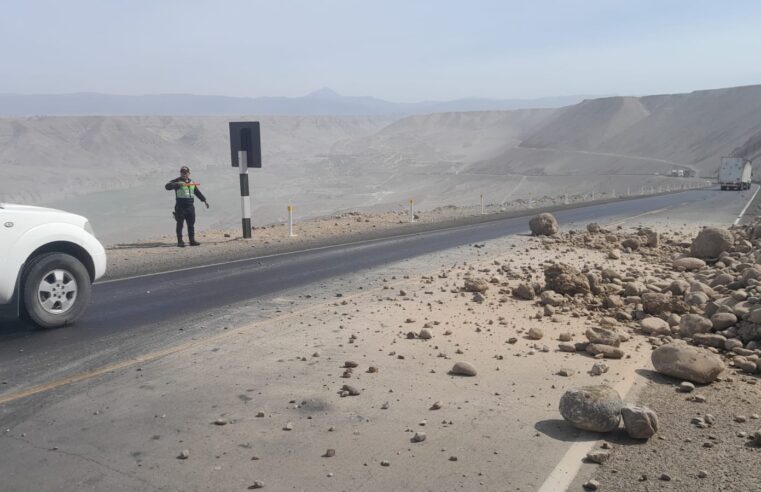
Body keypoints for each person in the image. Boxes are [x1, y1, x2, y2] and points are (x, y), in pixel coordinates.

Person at [165, 166, 209, 247]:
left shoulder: (191, 182)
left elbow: (197, 192)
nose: (184, 174)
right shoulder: (177, 181)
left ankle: (192, 241)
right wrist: (176, 184)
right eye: (182, 172)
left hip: (190, 206)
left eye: (185, 172)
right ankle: (180, 241)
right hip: (180, 206)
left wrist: (204, 200)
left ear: (189, 173)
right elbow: (167, 186)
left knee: (191, 224)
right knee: (180, 224)